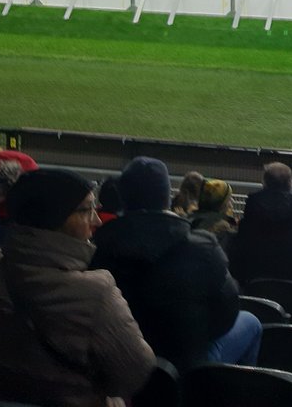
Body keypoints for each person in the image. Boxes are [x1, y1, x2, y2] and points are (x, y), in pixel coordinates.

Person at [0, 168, 156, 407]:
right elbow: (136, 373)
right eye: (86, 210)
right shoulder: (96, 294)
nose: (97, 220)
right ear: (54, 218)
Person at [91, 156, 260, 371]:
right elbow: (226, 315)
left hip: (123, 365)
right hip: (187, 368)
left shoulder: (100, 248)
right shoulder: (203, 247)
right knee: (251, 322)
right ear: (165, 197)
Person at [229, 161, 292, 289]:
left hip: (255, 283)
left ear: (264, 183)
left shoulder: (252, 209)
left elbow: (240, 247)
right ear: (290, 183)